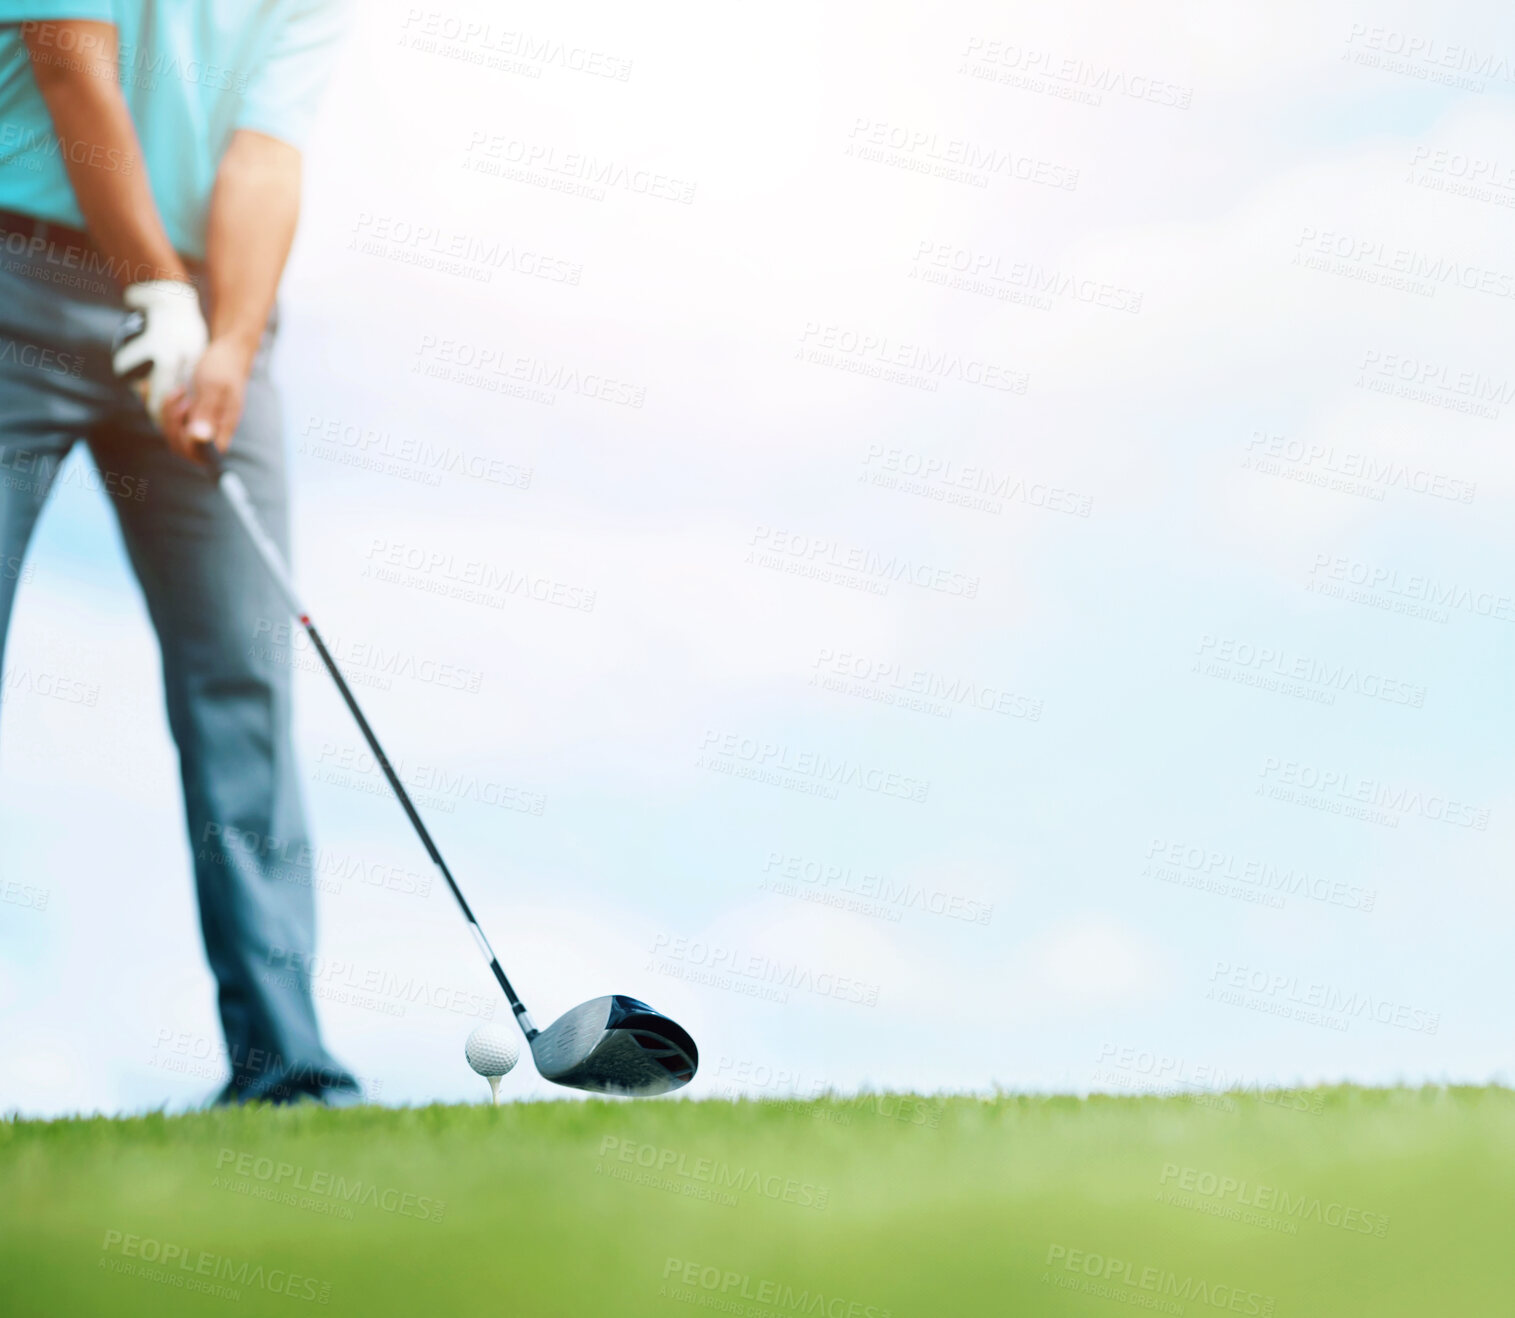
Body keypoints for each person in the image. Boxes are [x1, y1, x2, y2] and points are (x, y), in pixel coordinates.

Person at [0, 1, 356, 1104]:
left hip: (209, 315)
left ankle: (284, 1067)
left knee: (242, 677)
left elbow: (264, 155)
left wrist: (231, 346)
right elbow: (71, 70)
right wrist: (152, 279)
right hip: (20, 279)